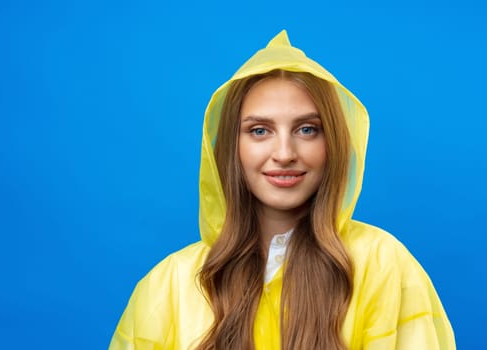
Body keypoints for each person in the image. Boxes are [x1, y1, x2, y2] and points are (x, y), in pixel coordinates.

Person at [108, 30, 455, 349]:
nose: (285, 154)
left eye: (307, 129)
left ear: (332, 142)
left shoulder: (384, 265)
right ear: (232, 147)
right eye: (260, 130)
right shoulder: (167, 286)